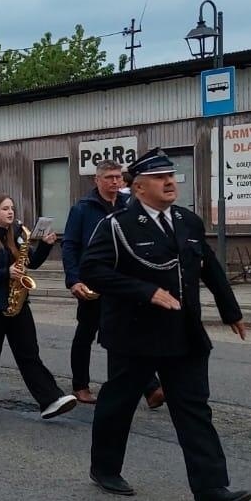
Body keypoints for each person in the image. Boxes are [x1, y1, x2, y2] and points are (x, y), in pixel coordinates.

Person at [81, 148, 251, 501]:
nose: (170, 182)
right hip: (134, 332)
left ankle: (211, 488)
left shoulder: (187, 221)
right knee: (119, 403)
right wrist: (146, 292)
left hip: (183, 331)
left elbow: (209, 268)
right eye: (160, 178)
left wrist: (230, 310)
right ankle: (105, 468)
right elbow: (93, 271)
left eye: (171, 176)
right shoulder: (116, 225)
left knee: (193, 408)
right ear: (139, 188)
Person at [63, 160, 165, 409]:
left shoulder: (128, 205)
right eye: (108, 177)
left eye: (118, 177)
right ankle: (80, 385)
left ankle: (150, 388)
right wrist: (74, 280)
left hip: (121, 283)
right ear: (96, 180)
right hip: (92, 282)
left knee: (127, 332)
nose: (115, 182)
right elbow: (70, 245)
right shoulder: (83, 209)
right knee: (86, 333)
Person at [0, 195, 77, 419]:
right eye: (5, 209)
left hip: (18, 303)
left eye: (12, 208)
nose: (11, 212)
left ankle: (50, 399)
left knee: (29, 353)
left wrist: (46, 246)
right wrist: (4, 273)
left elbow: (32, 262)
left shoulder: (16, 236)